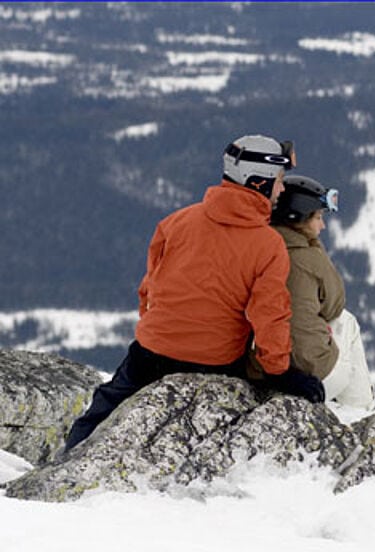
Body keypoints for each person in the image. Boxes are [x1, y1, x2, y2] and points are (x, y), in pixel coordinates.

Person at [64, 135, 324, 452]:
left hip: (151, 352)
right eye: (279, 181)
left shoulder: (176, 222)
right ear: (259, 181)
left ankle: (69, 457)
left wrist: (165, 332)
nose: (282, 190)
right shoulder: (268, 245)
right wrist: (281, 372)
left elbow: (149, 291)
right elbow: (269, 317)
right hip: (215, 361)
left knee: (104, 409)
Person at [252, 174, 375, 410]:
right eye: (318, 217)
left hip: (261, 371)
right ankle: (363, 410)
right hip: (314, 378)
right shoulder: (307, 257)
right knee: (346, 321)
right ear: (299, 219)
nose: (323, 225)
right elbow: (334, 305)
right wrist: (314, 247)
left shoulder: (257, 247)